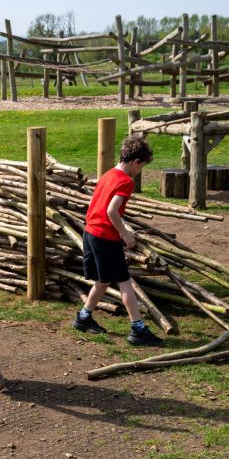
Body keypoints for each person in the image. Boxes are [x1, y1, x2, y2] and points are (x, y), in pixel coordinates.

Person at [73, 133, 163, 346]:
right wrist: (125, 234)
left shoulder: (108, 174)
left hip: (91, 232)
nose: (140, 171)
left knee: (103, 280)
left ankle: (83, 318)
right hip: (105, 236)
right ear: (135, 162)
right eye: (141, 167)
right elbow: (112, 210)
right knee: (125, 282)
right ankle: (138, 329)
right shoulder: (125, 181)